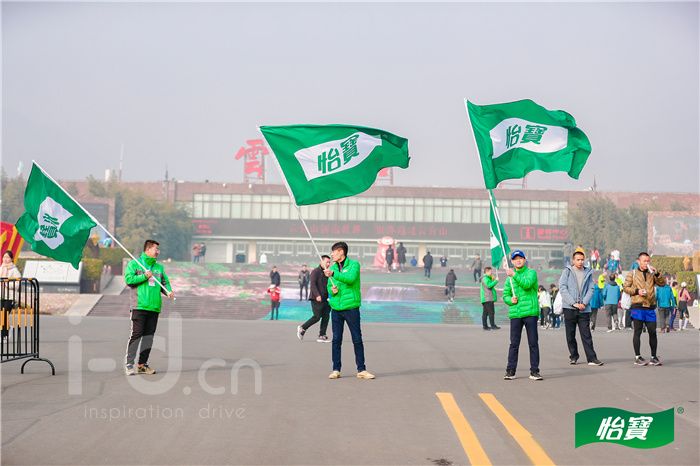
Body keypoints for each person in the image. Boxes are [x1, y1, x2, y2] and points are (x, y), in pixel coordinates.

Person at [324, 241, 374, 380]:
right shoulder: (332, 268)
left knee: (357, 339)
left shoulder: (354, 265)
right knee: (336, 340)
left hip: (351, 307)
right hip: (336, 308)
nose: (332, 254)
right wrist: (332, 291)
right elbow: (329, 287)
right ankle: (336, 369)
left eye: (333, 252)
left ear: (341, 252)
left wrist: (334, 274)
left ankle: (361, 369)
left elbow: (351, 279)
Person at [124, 240, 174, 376]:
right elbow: (129, 280)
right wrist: (144, 276)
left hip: (154, 307)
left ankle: (142, 365)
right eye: (155, 249)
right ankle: (129, 364)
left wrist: (168, 291)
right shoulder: (135, 264)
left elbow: (165, 282)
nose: (158, 251)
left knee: (148, 337)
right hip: (139, 306)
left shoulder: (159, 268)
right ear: (147, 250)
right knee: (136, 335)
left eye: (158, 249)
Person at [558, 250, 604, 366]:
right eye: (578, 260)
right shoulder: (567, 271)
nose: (580, 262)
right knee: (570, 335)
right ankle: (573, 356)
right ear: (573, 260)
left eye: (582, 260)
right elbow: (563, 288)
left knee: (586, 334)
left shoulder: (588, 272)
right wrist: (573, 303)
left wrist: (584, 303)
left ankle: (592, 358)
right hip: (569, 308)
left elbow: (591, 289)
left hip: (584, 308)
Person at [503, 250, 542, 381]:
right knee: (514, 343)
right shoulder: (509, 278)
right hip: (516, 313)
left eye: (520, 258)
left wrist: (514, 275)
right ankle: (510, 370)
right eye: (515, 259)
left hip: (530, 312)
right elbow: (505, 295)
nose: (518, 260)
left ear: (524, 260)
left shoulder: (531, 273)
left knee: (533, 343)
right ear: (512, 262)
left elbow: (527, 284)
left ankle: (534, 371)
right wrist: (510, 300)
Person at [623, 252, 666, 366]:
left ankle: (653, 357)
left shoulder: (652, 273)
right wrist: (637, 291)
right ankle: (638, 357)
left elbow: (662, 283)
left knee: (653, 332)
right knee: (637, 331)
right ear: (638, 261)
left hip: (650, 307)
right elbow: (625, 287)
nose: (646, 263)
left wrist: (657, 273)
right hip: (637, 306)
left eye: (648, 261)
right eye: (644, 261)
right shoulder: (632, 273)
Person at [297, 256, 332, 342]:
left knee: (326, 316)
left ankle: (322, 335)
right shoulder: (315, 271)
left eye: (329, 262)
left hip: (326, 298)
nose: (328, 264)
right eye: (327, 262)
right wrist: (317, 295)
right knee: (317, 316)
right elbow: (312, 284)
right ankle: (303, 327)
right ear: (321, 262)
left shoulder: (328, 272)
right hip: (316, 298)